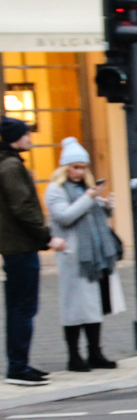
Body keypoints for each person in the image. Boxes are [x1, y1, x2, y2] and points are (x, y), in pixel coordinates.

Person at [44, 137, 123, 372]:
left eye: (83, 167)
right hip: (74, 257)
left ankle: (95, 352)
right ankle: (73, 356)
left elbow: (94, 216)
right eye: (75, 167)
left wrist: (106, 205)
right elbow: (65, 217)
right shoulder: (55, 190)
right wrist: (88, 198)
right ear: (64, 167)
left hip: (95, 257)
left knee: (94, 307)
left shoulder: (83, 189)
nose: (80, 171)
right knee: (73, 309)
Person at [0, 117, 66, 386]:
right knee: (22, 308)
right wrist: (48, 237)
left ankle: (20, 363)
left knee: (19, 307)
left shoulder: (9, 164)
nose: (30, 138)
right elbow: (23, 207)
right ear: (15, 138)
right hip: (20, 246)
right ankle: (18, 367)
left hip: (17, 246)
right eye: (26, 134)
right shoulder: (11, 166)